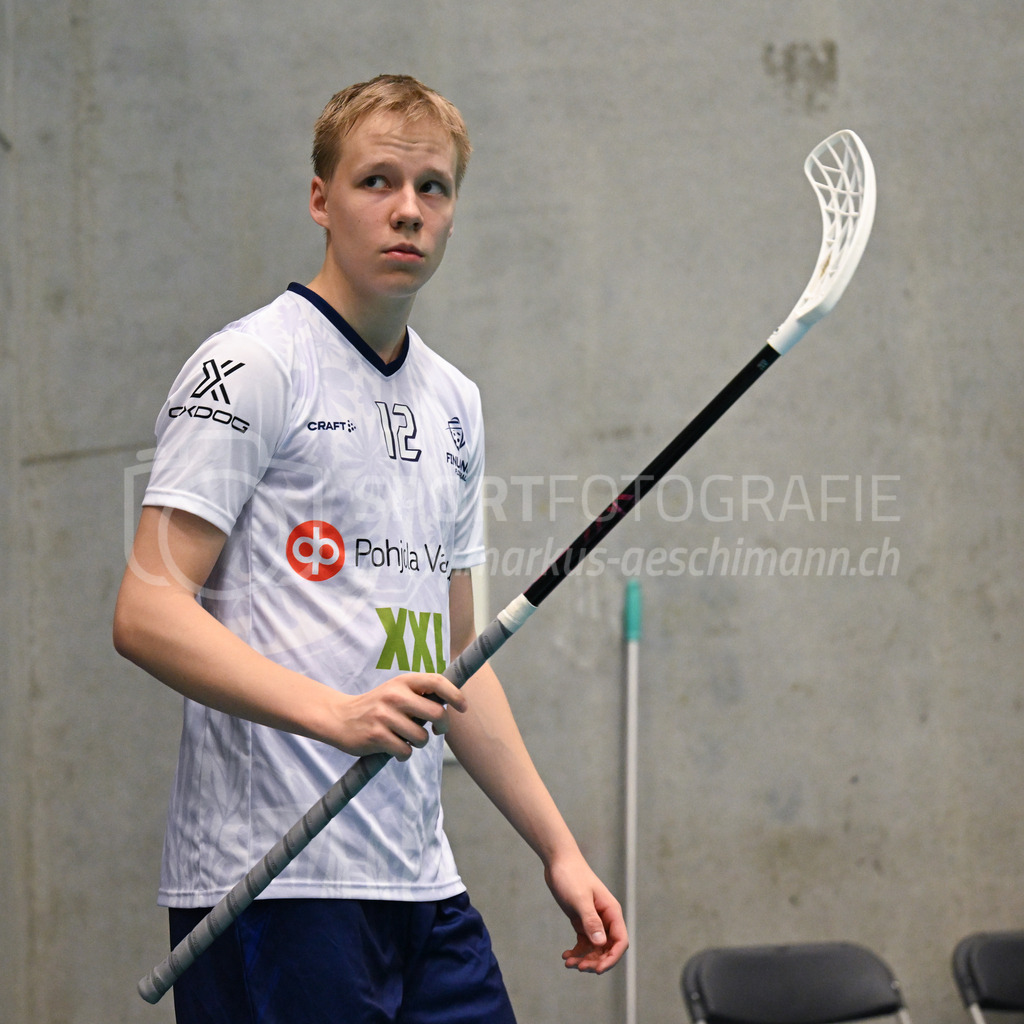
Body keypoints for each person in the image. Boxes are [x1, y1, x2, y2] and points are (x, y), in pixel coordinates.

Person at [113, 73, 627, 1023]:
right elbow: (146, 613)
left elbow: (457, 658)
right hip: (272, 884)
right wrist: (335, 714)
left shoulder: (455, 402)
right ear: (321, 199)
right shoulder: (253, 364)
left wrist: (557, 847)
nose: (408, 210)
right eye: (377, 181)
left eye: (433, 187)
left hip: (419, 881)